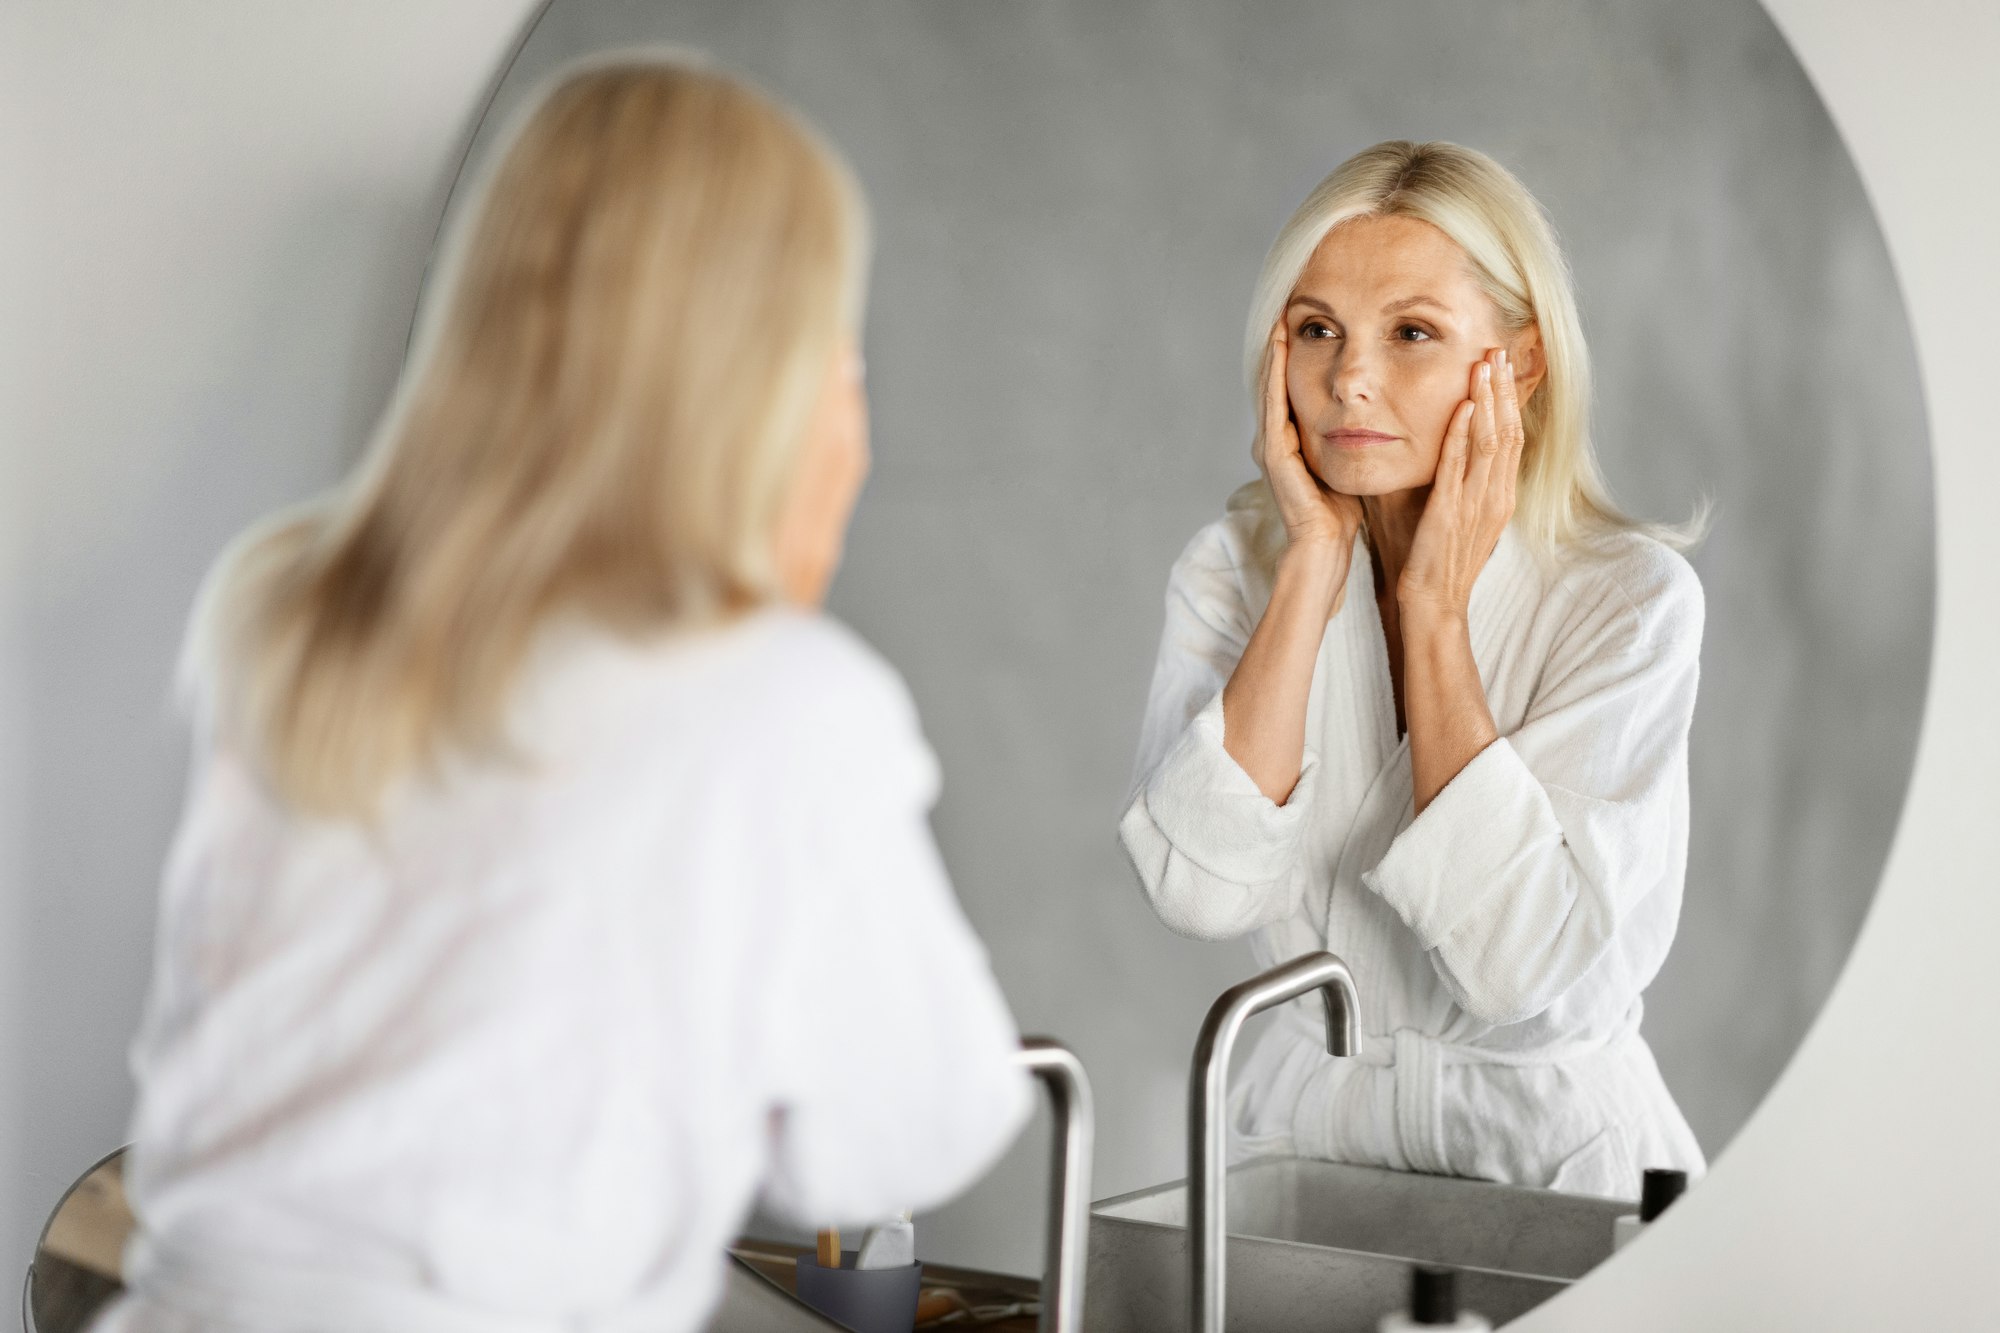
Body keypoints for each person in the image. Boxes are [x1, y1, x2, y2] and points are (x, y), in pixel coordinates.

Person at [95, 57, 1030, 1333]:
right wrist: (773, 617)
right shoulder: (782, 706)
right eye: (838, 357)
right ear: (764, 382)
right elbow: (905, 1127)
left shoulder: (284, 615)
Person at [1119, 140, 1706, 1198]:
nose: (1349, 376)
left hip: (1550, 1167)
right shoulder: (1230, 571)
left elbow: (1515, 964)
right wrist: (1310, 563)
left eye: (1411, 333)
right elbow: (1197, 887)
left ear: (1516, 364)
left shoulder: (1626, 602)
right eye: (1315, 330)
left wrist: (1429, 611)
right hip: (1302, 1148)